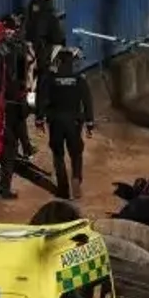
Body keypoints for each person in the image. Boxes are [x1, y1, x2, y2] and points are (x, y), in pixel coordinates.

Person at [42, 50, 94, 200]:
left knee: (58, 155)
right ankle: (76, 177)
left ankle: (63, 188)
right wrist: (90, 124)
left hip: (56, 122)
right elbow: (87, 102)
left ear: (59, 62)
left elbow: (43, 99)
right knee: (76, 153)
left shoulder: (51, 79)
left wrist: (40, 118)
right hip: (74, 123)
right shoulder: (79, 79)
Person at [0, 17, 32, 199]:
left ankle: (26, 147)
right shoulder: (13, 49)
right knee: (10, 149)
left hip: (5, 101)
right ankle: (4, 188)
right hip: (9, 103)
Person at [23, 0, 64, 90]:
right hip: (39, 45)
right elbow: (37, 27)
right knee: (36, 73)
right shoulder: (37, 4)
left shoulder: (48, 4)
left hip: (47, 44)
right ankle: (33, 98)